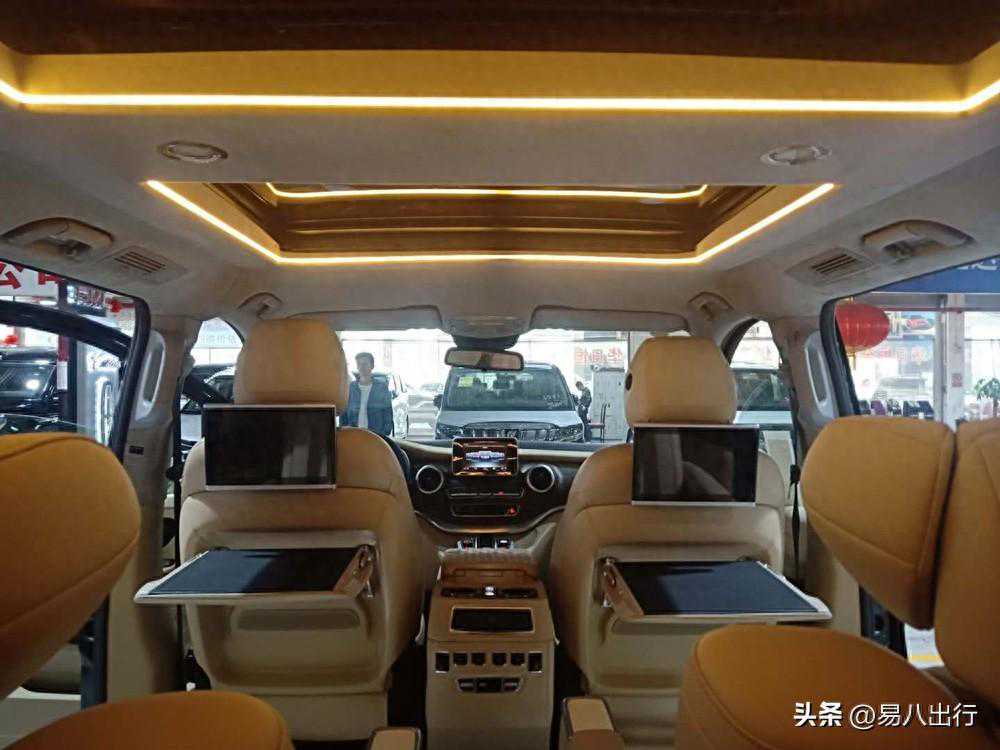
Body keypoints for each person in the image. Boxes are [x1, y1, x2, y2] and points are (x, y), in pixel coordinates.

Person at [343, 352, 394, 436]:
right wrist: (344, 431)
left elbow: (387, 412)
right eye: (359, 364)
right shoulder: (351, 387)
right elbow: (344, 411)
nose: (361, 367)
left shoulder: (381, 387)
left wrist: (385, 432)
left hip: (376, 435)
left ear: (372, 366)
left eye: (365, 364)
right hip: (354, 433)